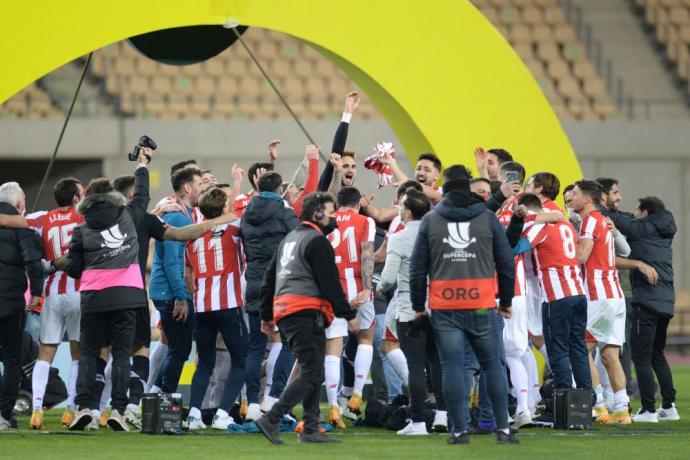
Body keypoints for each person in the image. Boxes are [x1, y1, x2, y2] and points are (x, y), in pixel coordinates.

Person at [409, 165, 517, 445]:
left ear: (444, 188)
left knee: (453, 367)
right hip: (481, 302)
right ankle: (503, 429)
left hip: (445, 306)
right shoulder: (487, 218)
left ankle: (458, 431)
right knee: (492, 365)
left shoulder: (431, 220)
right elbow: (506, 264)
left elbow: (417, 268)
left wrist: (418, 305)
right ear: (467, 187)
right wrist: (505, 300)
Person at [255, 192, 359, 445]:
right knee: (312, 373)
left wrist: (267, 315)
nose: (335, 215)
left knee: (313, 371)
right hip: (306, 310)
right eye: (331, 210)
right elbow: (330, 284)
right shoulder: (317, 241)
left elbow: (269, 280)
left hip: (287, 312)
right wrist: (349, 314)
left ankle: (311, 428)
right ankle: (272, 418)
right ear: (317, 214)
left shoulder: (289, 239)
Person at [65, 150, 152, 431]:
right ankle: (118, 410)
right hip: (128, 295)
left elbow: (75, 269)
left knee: (89, 354)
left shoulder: (80, 230)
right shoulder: (129, 215)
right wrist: (142, 165)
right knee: (123, 354)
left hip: (94, 298)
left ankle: (85, 407)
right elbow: (142, 196)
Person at [378, 188, 447, 436]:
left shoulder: (398, 237)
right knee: (437, 362)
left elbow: (387, 278)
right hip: (439, 307)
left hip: (410, 309)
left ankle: (418, 422)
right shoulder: (439, 235)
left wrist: (377, 288)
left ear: (407, 212)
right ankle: (442, 415)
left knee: (416, 366)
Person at [604, 196, 679, 422]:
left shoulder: (643, 228)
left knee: (642, 357)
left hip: (647, 301)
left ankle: (648, 409)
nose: (634, 215)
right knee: (657, 355)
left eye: (637, 212)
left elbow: (619, 219)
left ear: (645, 213)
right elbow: (627, 218)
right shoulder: (663, 229)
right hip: (666, 301)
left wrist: (599, 203)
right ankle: (669, 406)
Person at [184, 188, 248, 430]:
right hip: (228, 304)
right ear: (223, 210)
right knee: (241, 358)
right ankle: (222, 413)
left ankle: (193, 414)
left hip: (202, 307)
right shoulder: (234, 230)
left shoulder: (191, 239)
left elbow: (187, 274)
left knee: (204, 363)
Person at [22, 178, 84, 429]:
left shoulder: (41, 218)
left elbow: (20, 222)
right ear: (76, 199)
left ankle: (37, 407)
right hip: (79, 291)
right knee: (78, 354)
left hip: (52, 294)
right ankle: (71, 408)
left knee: (45, 353)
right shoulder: (85, 218)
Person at [516, 193, 591, 393]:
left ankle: (564, 402)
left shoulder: (540, 226)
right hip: (578, 293)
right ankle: (584, 403)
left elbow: (517, 248)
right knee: (578, 348)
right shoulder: (565, 224)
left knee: (557, 350)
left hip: (556, 296)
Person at [240, 171, 299, 421]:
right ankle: (274, 398)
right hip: (280, 281)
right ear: (278, 189)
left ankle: (252, 403)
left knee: (255, 347)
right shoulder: (284, 211)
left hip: (253, 281)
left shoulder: (247, 213)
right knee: (288, 343)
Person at [571, 180, 631, 424]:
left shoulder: (590, 220)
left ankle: (598, 405)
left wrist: (560, 249)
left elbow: (582, 255)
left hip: (599, 295)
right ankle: (622, 409)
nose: (571, 198)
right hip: (615, 296)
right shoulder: (603, 221)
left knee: (580, 348)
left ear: (587, 199)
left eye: (574, 194)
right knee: (609, 356)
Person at [323, 187, 376, 428]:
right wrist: (366, 288)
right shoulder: (365, 220)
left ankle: (333, 406)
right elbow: (367, 254)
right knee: (366, 337)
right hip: (356, 285)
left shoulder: (326, 220)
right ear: (358, 204)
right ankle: (356, 395)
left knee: (333, 346)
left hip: (330, 288)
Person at [148, 168, 203, 394]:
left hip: (166, 291)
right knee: (179, 350)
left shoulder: (181, 212)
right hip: (170, 293)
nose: (203, 189)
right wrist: (181, 295)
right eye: (200, 184)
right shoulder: (178, 216)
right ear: (187, 188)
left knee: (176, 348)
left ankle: (154, 399)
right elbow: (172, 262)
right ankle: (161, 400)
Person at [0, 182, 43, 430]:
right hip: (10, 304)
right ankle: (4, 415)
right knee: (12, 360)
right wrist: (36, 292)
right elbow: (32, 259)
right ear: (19, 205)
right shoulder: (19, 225)